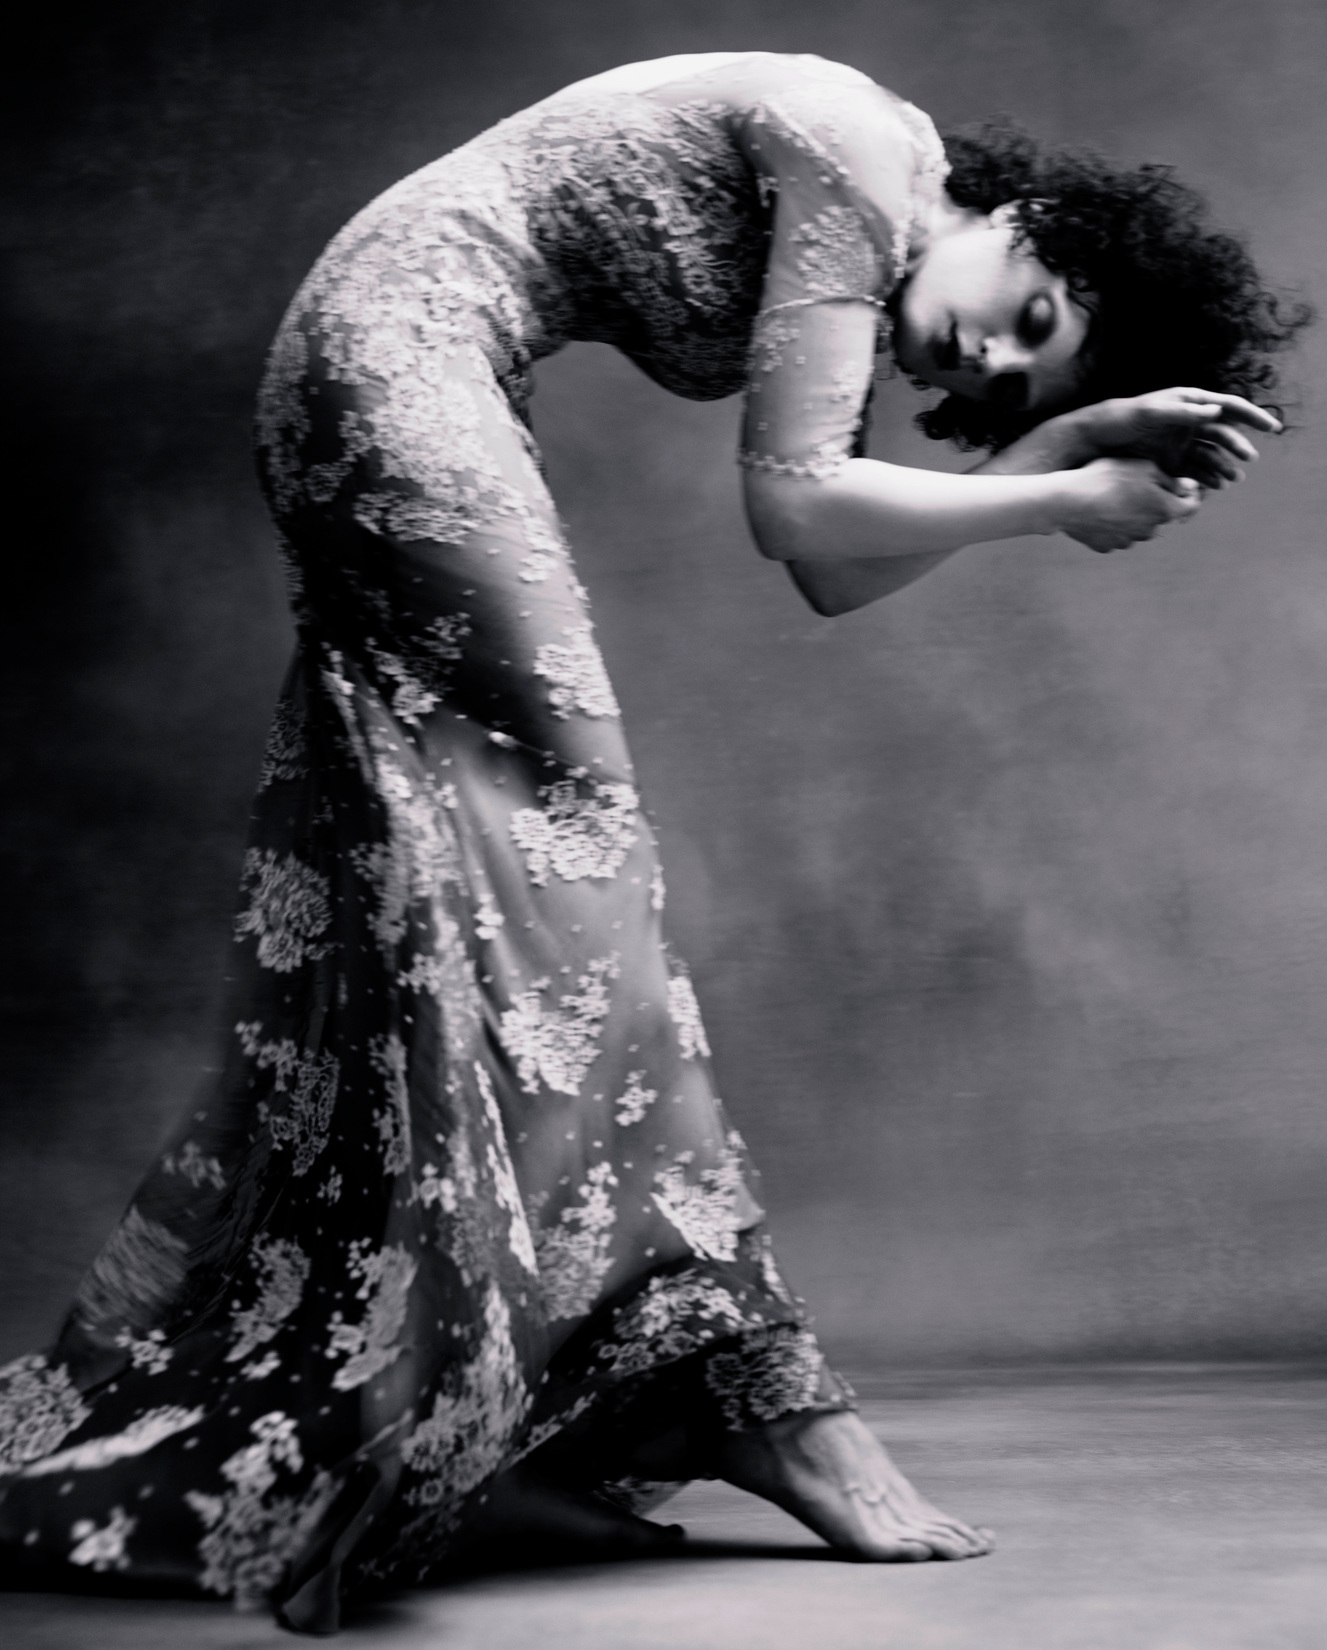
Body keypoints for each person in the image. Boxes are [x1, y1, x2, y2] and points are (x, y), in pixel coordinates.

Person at [0, 51, 1305, 1634]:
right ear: (1026, 215)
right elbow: (798, 509)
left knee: (465, 889)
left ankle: (522, 1383)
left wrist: (1054, 460)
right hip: (392, 355)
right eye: (1031, 311)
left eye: (1018, 376)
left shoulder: (864, 235)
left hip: (404, 370)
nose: (989, 352)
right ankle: (749, 1391)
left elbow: (831, 570)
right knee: (565, 862)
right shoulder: (860, 151)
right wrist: (1063, 491)